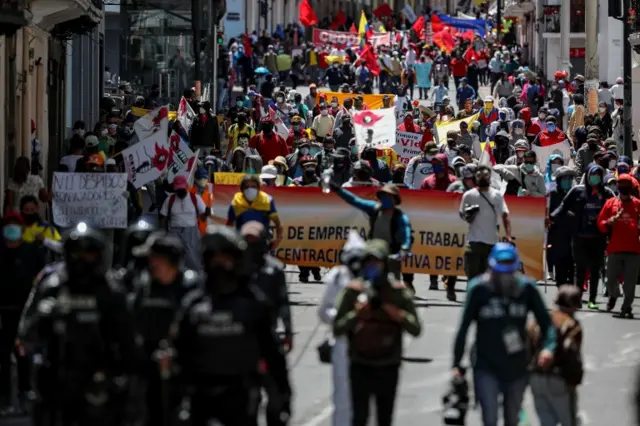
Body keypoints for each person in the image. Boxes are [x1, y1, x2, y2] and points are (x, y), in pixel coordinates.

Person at [171, 226, 292, 425]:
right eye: (214, 258)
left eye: (225, 258)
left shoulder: (253, 304)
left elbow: (272, 354)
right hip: (200, 399)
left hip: (240, 398)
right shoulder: (193, 304)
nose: (219, 264)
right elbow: (179, 355)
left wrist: (283, 396)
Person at [20, 222, 138, 426]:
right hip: (57, 381)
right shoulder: (52, 286)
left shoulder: (111, 291)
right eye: (77, 254)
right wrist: (45, 317)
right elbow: (26, 333)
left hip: (99, 382)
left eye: (88, 254)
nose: (82, 260)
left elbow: (129, 341)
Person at [452, 243, 556, 426]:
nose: (505, 276)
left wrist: (548, 349)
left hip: (517, 366)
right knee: (490, 417)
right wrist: (456, 363)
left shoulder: (527, 289)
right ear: (491, 265)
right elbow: (463, 327)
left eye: (509, 267)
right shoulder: (479, 289)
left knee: (512, 418)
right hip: (485, 364)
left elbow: (547, 324)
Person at [333, 239, 421, 426]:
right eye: (368, 261)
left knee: (384, 418)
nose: (372, 266)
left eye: (376, 261)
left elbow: (416, 328)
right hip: (360, 364)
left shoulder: (398, 292)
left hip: (388, 365)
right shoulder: (352, 291)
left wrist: (394, 313)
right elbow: (338, 327)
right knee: (359, 417)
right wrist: (357, 313)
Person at [129, 232, 199, 426]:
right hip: (148, 367)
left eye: (154, 259)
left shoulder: (191, 288)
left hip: (182, 369)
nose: (150, 265)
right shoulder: (145, 285)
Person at [318, 233, 366, 426]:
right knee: (342, 397)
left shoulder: (372, 276)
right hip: (343, 343)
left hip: (368, 345)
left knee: (364, 397)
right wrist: (340, 317)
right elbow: (323, 311)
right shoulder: (337, 277)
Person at [550, 164, 614, 308]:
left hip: (598, 237)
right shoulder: (577, 191)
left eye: (598, 175)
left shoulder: (607, 193)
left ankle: (592, 299)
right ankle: (577, 299)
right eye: (593, 174)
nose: (595, 178)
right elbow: (563, 206)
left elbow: (616, 207)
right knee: (580, 269)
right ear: (588, 176)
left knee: (595, 269)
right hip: (579, 237)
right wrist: (551, 217)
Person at [0, 211, 46, 414]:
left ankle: (25, 393)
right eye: (8, 225)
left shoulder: (32, 251)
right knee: (3, 355)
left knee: (24, 354)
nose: (11, 229)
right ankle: (5, 398)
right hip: (3, 312)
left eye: (14, 225)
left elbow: (43, 275)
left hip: (26, 311)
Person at [330, 182, 412, 285]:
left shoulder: (399, 216)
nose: (385, 198)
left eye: (389, 196)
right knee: (365, 283)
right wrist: (337, 189)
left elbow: (406, 233)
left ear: (395, 199)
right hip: (373, 252)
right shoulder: (375, 209)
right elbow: (354, 200)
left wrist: (405, 248)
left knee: (392, 285)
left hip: (390, 255)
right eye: (383, 195)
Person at [528, 285, 583, 426]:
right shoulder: (571, 325)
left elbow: (526, 347)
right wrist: (574, 379)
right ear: (575, 306)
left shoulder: (537, 321)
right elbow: (570, 351)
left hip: (536, 377)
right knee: (569, 421)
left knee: (546, 422)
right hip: (559, 378)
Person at [597, 173, 640, 318]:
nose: (624, 188)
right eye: (621, 185)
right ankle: (613, 295)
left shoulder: (637, 204)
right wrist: (610, 222)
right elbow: (601, 223)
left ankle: (626, 307)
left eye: (627, 186)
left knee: (630, 283)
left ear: (632, 188)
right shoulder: (610, 203)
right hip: (614, 248)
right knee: (610, 279)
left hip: (633, 249)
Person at [459, 165, 513, 280]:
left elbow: (505, 215)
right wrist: (469, 215)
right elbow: (462, 215)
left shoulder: (496, 195)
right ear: (475, 178)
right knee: (473, 279)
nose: (482, 178)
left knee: (489, 280)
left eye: (485, 176)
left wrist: (508, 236)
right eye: (479, 176)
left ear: (489, 177)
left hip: (491, 243)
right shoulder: (468, 196)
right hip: (474, 243)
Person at [159, 175, 208, 271]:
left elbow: (203, 218)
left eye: (182, 189)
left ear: (186, 186)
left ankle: (196, 279)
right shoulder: (170, 200)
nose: (180, 191)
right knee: (175, 260)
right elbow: (163, 218)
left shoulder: (196, 198)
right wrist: (164, 233)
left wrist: (206, 214)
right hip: (174, 233)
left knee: (194, 260)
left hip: (192, 232)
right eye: (178, 189)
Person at [226, 175, 284, 245]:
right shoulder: (236, 202)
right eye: (246, 187)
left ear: (258, 188)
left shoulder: (267, 201)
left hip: (263, 243)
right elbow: (229, 225)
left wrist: (278, 240)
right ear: (242, 189)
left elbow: (278, 223)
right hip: (242, 243)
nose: (250, 189)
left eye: (253, 187)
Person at [546, 167, 577, 287]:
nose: (568, 181)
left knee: (572, 265)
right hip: (557, 235)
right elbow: (547, 213)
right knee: (560, 266)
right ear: (559, 180)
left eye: (570, 178)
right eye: (565, 178)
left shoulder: (576, 193)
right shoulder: (552, 195)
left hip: (573, 235)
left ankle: (571, 293)